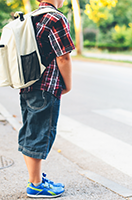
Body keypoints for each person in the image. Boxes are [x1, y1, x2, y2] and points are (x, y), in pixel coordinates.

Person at [18, 0, 75, 198]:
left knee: (31, 131)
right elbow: (63, 57)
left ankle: (36, 179)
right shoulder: (56, 17)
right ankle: (35, 185)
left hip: (27, 85)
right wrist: (67, 84)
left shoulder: (29, 18)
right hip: (46, 87)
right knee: (41, 134)